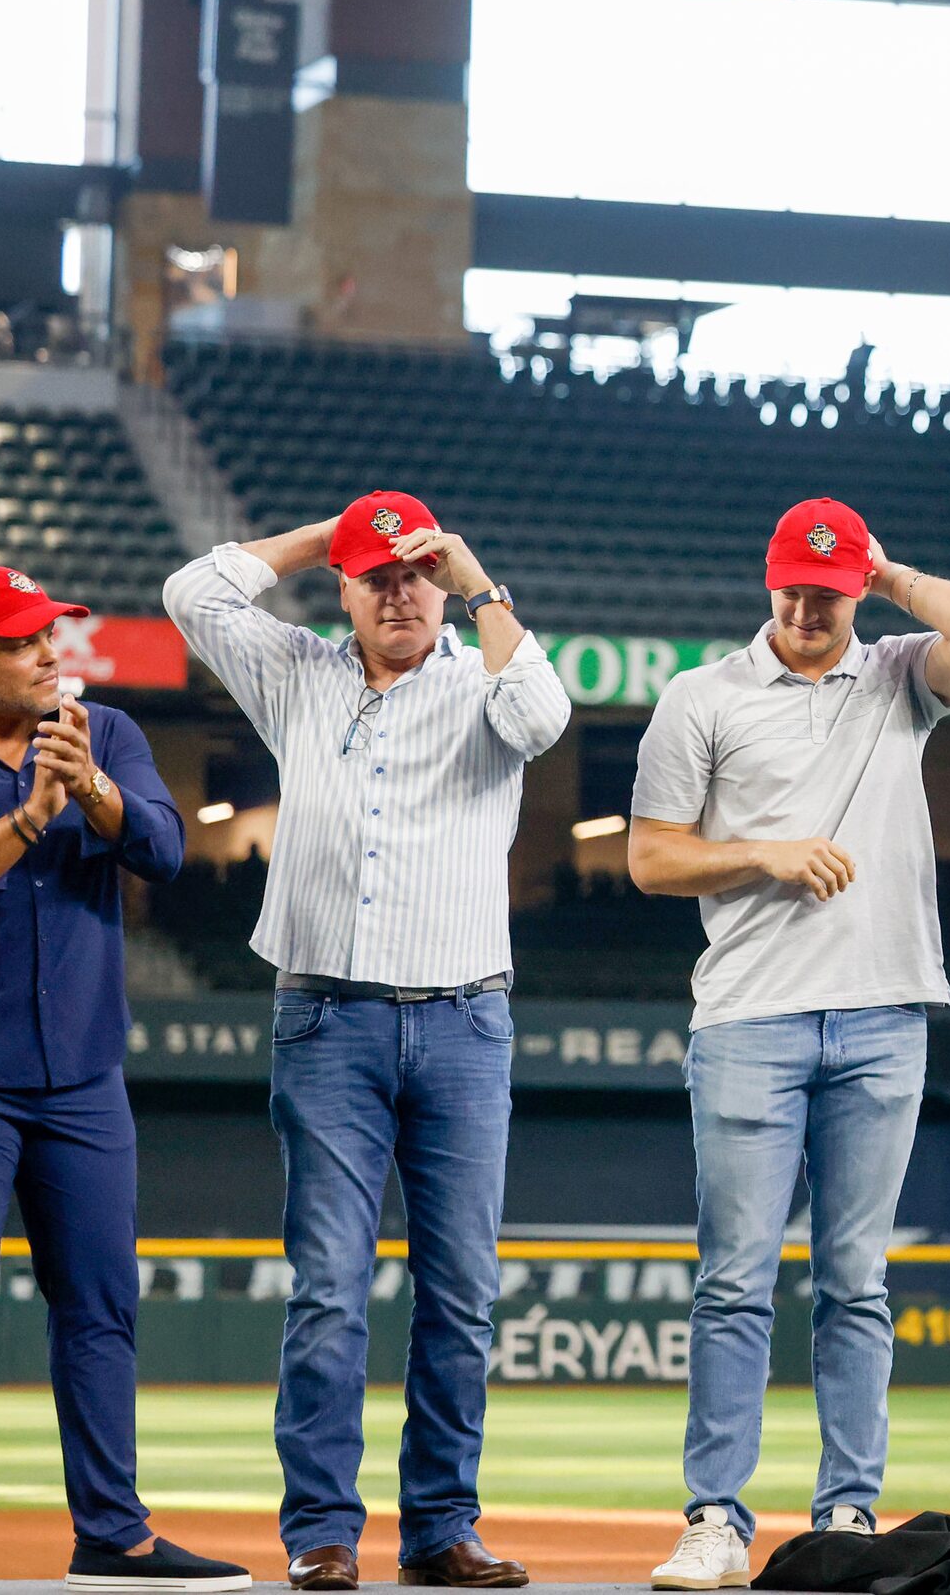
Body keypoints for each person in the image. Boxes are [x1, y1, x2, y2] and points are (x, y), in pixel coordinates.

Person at [163, 494, 571, 1593]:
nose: (397, 591)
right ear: (342, 590)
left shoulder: (486, 678)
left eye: (412, 574)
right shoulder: (296, 671)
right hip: (327, 1018)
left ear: (441, 583)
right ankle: (322, 1532)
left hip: (463, 1018)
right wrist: (328, 534)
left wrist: (473, 573)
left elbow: (542, 717)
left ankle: (441, 1529)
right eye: (374, 576)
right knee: (330, 1287)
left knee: (459, 1290)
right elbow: (190, 594)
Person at [626, 498, 950, 1588]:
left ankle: (848, 1513)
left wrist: (889, 577)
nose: (807, 606)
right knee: (733, 1282)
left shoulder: (898, 674)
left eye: (829, 589)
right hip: (748, 1014)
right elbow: (651, 861)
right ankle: (714, 1519)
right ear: (767, 583)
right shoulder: (700, 696)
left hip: (882, 1011)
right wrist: (765, 854)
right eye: (793, 586)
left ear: (854, 588)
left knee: (856, 1281)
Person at [0, 568, 248, 1595]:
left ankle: (111, 1534)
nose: (48, 652)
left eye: (49, 635)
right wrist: (30, 816)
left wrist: (93, 790)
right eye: (21, 641)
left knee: (102, 1301)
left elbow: (162, 849)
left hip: (79, 1069)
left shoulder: (100, 733)